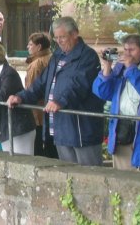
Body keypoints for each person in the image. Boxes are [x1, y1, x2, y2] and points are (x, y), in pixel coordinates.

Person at [7, 17, 105, 166]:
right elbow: (40, 83)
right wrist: (21, 97)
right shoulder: (57, 56)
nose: (59, 41)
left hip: (81, 128)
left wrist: (60, 101)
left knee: (90, 174)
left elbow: (79, 85)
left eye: (63, 37)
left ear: (75, 34)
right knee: (68, 175)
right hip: (61, 127)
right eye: (56, 38)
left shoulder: (87, 56)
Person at [93, 34, 140, 172]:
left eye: (132, 50)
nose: (128, 54)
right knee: (123, 180)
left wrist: (131, 69)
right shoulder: (120, 67)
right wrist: (107, 66)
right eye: (125, 50)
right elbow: (102, 92)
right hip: (122, 130)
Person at [25, 32, 57, 158]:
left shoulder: (37, 63)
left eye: (30, 44)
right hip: (49, 109)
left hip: (38, 113)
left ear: (38, 47)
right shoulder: (52, 57)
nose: (28, 47)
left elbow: (31, 88)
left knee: (38, 147)